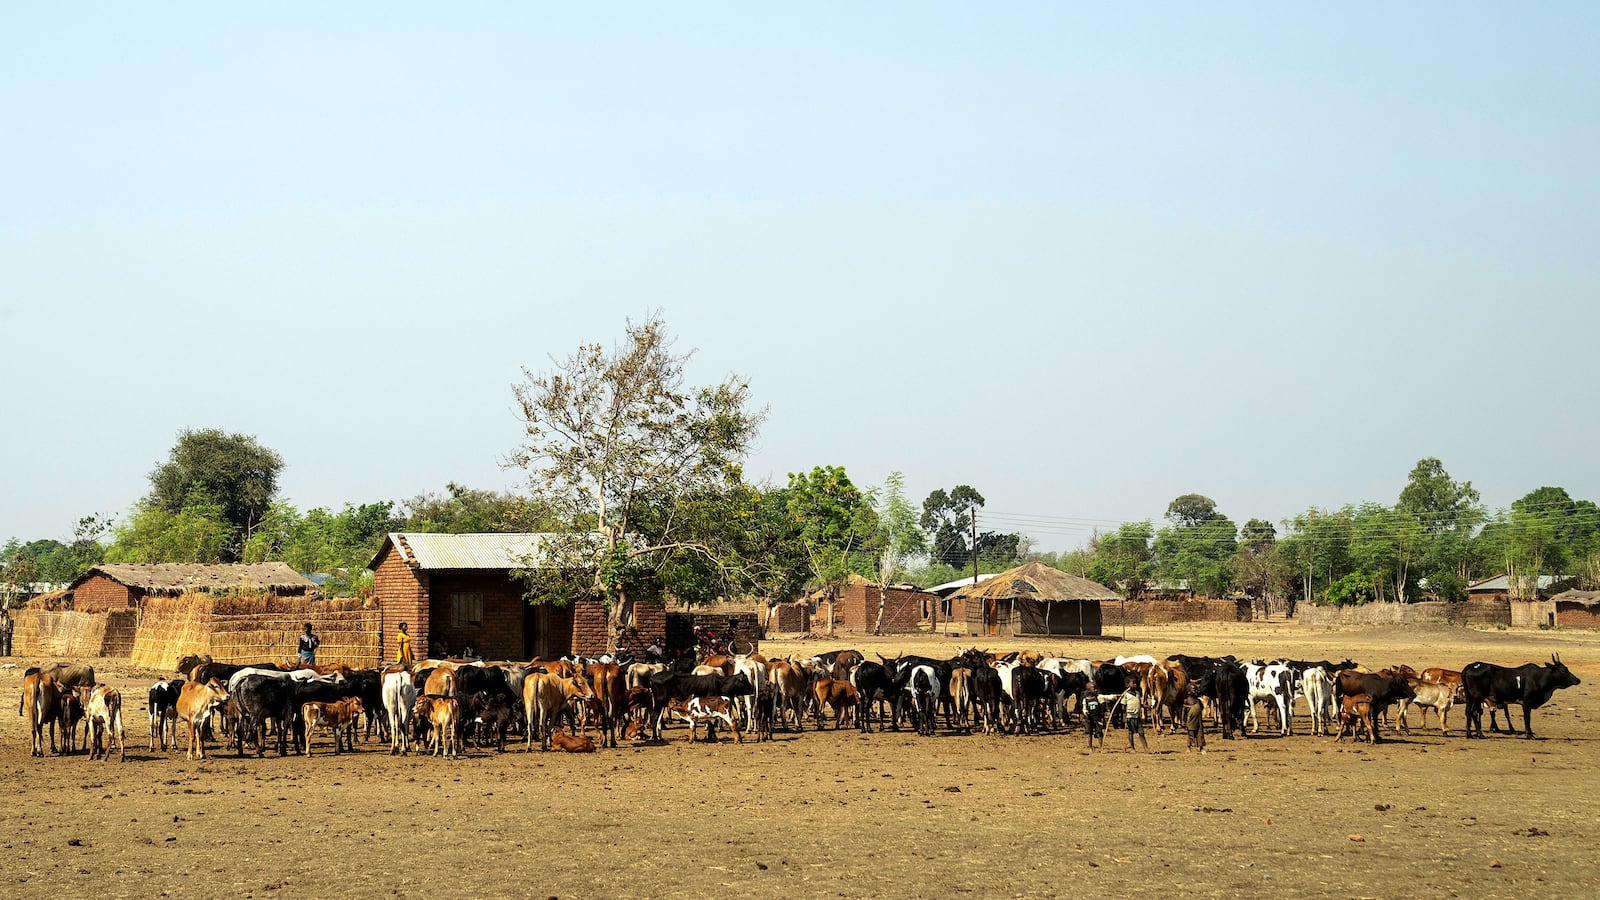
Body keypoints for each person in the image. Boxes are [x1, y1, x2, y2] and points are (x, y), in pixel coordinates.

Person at [1122, 683, 1149, 751]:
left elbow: (1139, 703)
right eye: (1133, 683)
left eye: (1135, 683)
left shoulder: (1137, 693)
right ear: (1127, 685)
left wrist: (1146, 706)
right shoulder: (1125, 694)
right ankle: (1132, 748)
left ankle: (1146, 748)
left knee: (1141, 732)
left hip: (1138, 716)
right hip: (1130, 716)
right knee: (1131, 732)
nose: (1135, 685)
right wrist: (1125, 718)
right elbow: (1123, 706)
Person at [1185, 682, 1206, 752]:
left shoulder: (1198, 700)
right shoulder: (1187, 701)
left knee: (1200, 733)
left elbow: (1202, 708)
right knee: (1191, 733)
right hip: (1191, 721)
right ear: (1188, 691)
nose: (1196, 692)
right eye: (1194, 690)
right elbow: (1184, 712)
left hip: (1199, 720)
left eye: (1196, 690)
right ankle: (1189, 746)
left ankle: (1200, 746)